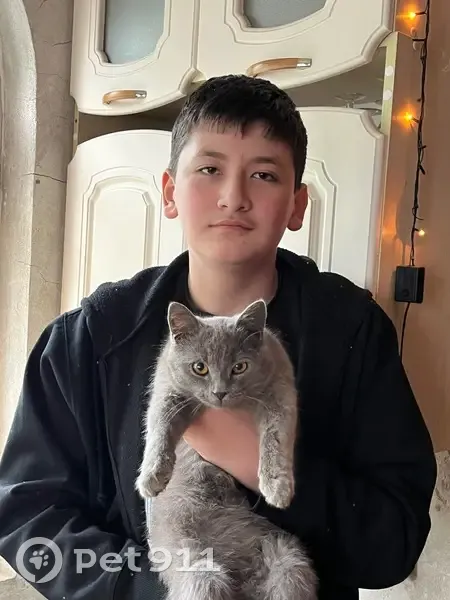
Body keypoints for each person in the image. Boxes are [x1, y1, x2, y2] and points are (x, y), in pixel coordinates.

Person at [0, 74, 437, 600]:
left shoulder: (352, 331)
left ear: (297, 205)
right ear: (170, 192)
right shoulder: (91, 335)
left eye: (264, 175)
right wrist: (163, 589)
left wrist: (261, 461)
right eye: (209, 169)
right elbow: (29, 518)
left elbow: (395, 541)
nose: (234, 198)